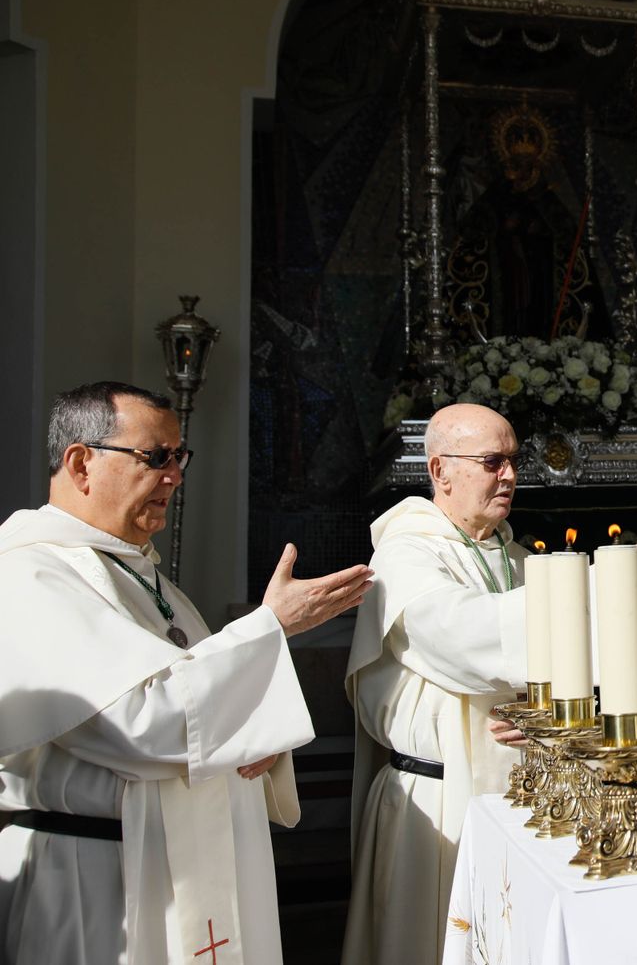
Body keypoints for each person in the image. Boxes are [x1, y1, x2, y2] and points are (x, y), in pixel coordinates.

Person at [0, 381, 373, 965]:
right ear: (81, 463)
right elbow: (138, 722)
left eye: (180, 457)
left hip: (173, 861)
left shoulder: (147, 580)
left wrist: (259, 743)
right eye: (156, 457)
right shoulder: (30, 575)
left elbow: (201, 702)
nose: (175, 475)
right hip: (97, 881)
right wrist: (270, 626)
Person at [341, 403, 637, 965]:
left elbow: (552, 661)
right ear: (439, 472)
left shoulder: (515, 554)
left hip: (521, 789)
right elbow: (457, 635)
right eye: (491, 461)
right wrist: (596, 586)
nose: (509, 475)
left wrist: (541, 708)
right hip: (438, 798)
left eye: (512, 460)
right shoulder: (406, 553)